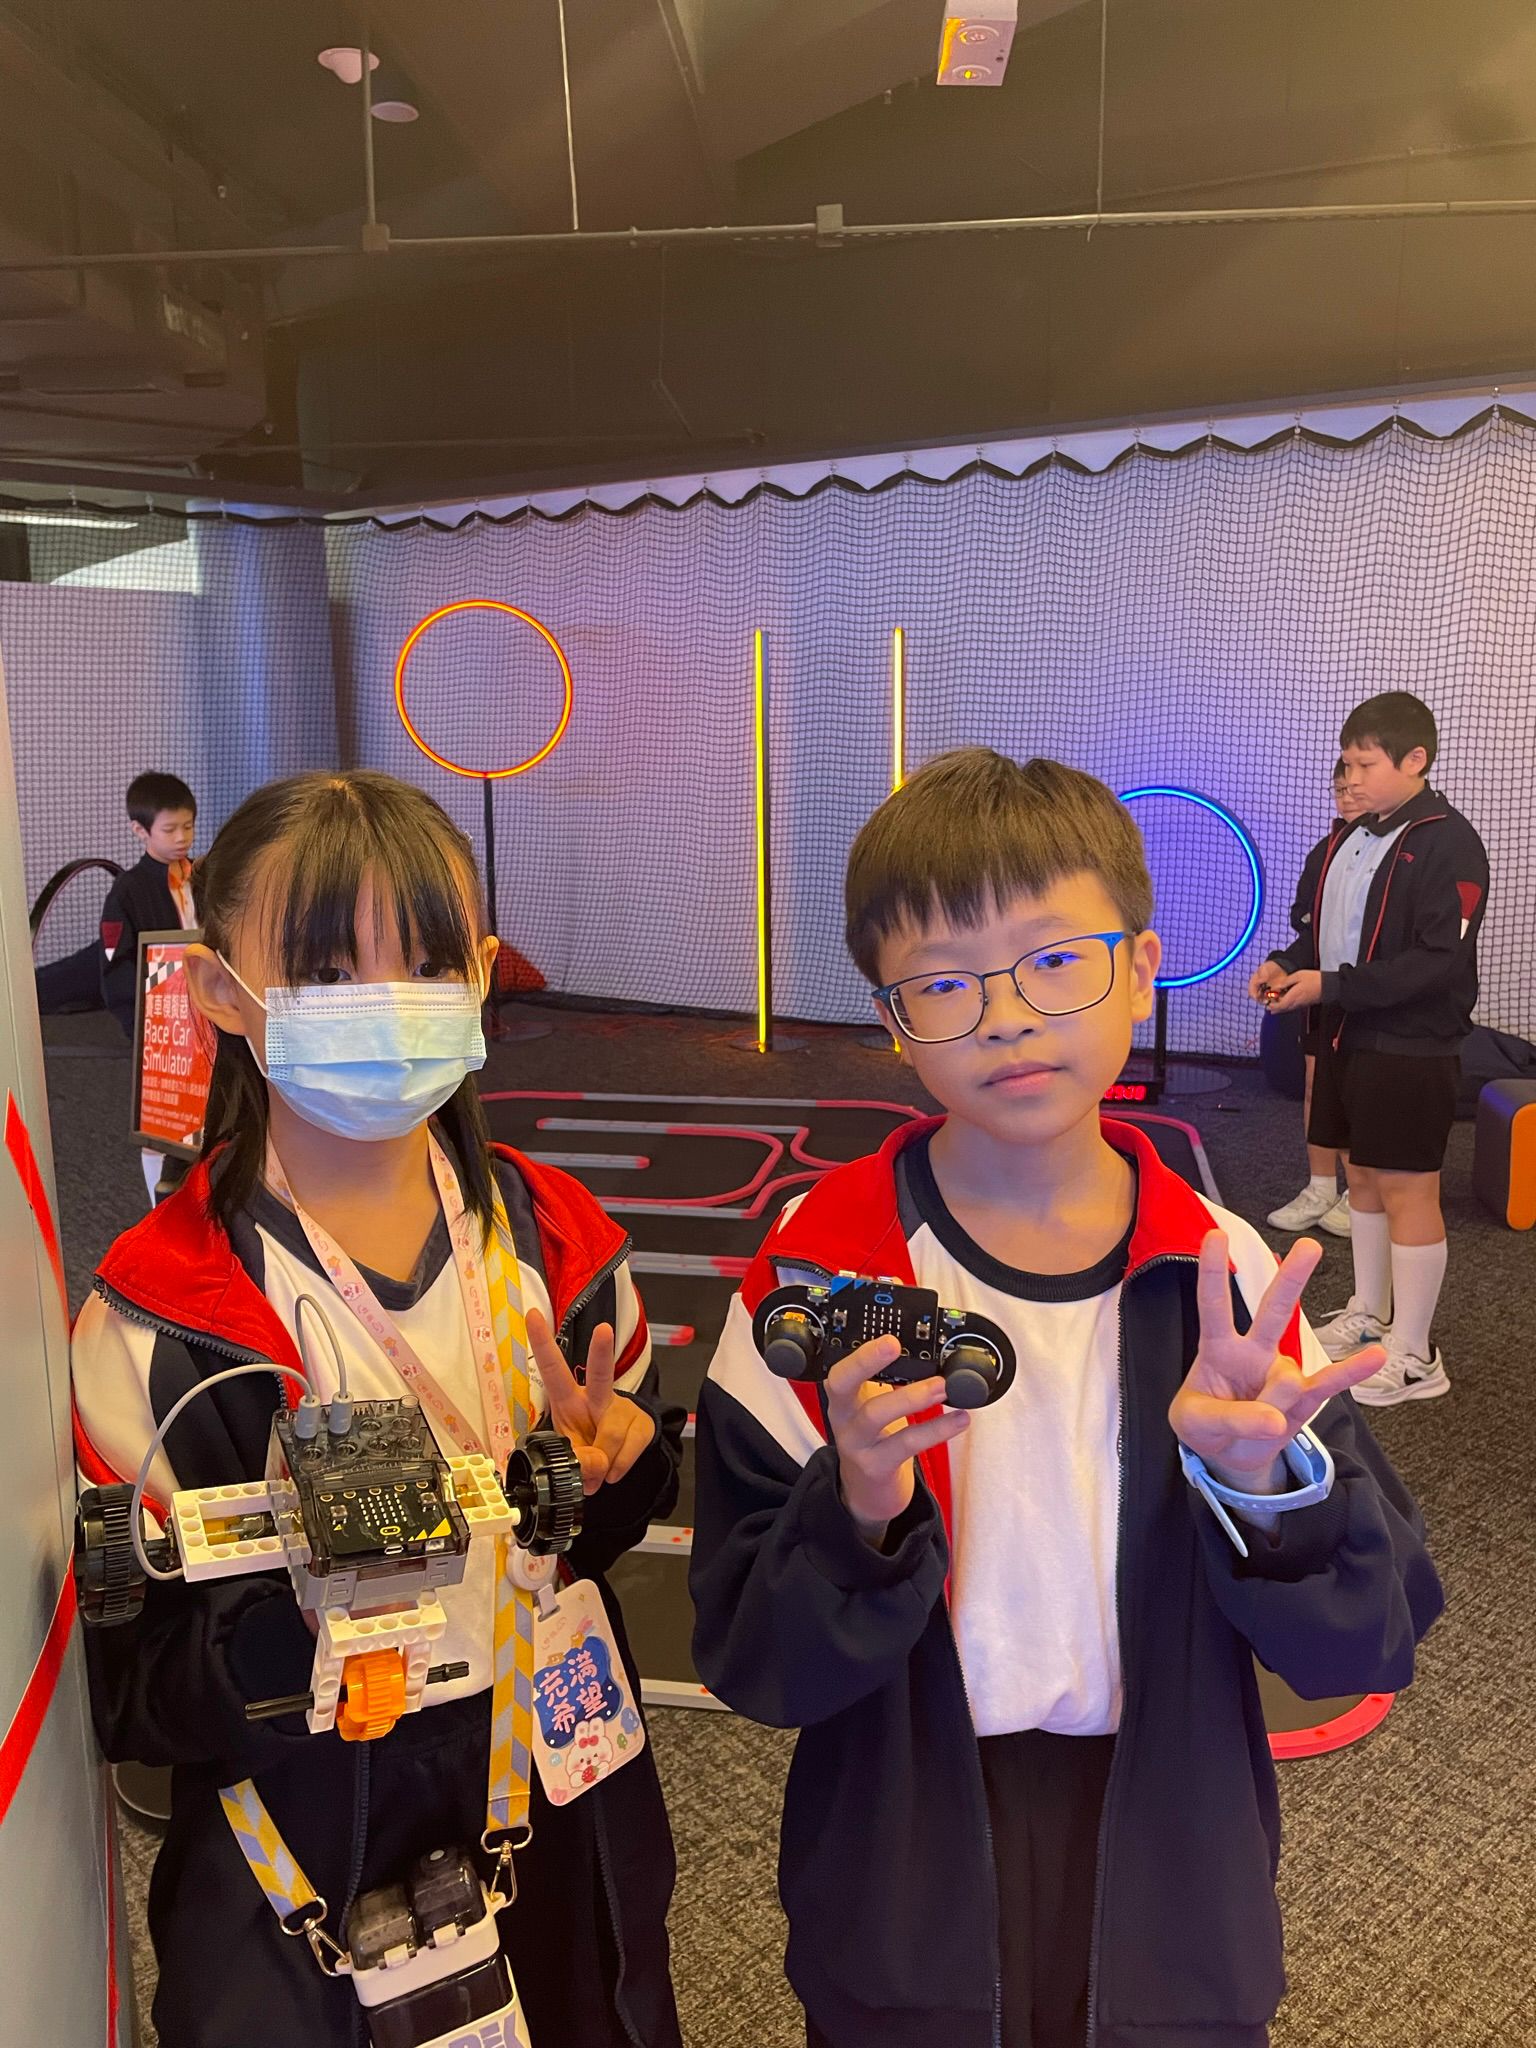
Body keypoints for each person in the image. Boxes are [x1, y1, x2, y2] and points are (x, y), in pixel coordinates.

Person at [690, 747, 1441, 2048]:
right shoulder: (824, 1272)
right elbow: (758, 1659)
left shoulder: (1223, 1274)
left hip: (1170, 1872)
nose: (1006, 1017)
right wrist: (855, 1508)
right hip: (904, 1870)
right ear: (892, 1019)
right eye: (944, 982)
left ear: (1142, 967)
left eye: (1054, 961)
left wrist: (1267, 1487)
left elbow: (1365, 1640)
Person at [72, 770, 684, 2048]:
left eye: (427, 961)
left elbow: (601, 1526)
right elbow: (134, 1695)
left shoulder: (563, 1247)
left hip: (549, 1789)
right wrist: (297, 1618)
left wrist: (611, 1474)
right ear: (221, 991)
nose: (388, 1002)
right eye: (326, 970)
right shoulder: (156, 1323)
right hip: (298, 1845)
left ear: (481, 972)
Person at [1252, 692, 1488, 1406]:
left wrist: (1330, 984)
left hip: (1412, 1046)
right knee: (1361, 1178)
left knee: (1408, 1188)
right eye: (1345, 764)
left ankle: (1415, 1356)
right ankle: (1372, 1316)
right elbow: (1328, 936)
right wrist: (1289, 963)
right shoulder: (1350, 839)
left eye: (1364, 764)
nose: (1349, 778)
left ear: (1416, 760)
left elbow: (1436, 963)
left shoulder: (1450, 842)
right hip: (1347, 1033)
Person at [1264, 760, 1369, 1238]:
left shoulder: (1392, 854)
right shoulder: (1323, 852)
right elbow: (1305, 922)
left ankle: (1360, 1193)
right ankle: (1321, 1187)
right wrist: (1285, 963)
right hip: (1320, 991)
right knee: (1316, 1085)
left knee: (1354, 1094)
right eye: (1339, 789)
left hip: (1365, 995)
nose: (1346, 798)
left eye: (1355, 788)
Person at [99, 771, 199, 1204]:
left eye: (188, 826)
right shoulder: (128, 891)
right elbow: (115, 964)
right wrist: (141, 1027)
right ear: (139, 831)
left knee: (207, 1113)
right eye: (170, 829)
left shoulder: (203, 876)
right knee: (159, 1121)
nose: (182, 838)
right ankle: (159, 1207)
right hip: (160, 1026)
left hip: (205, 1014)